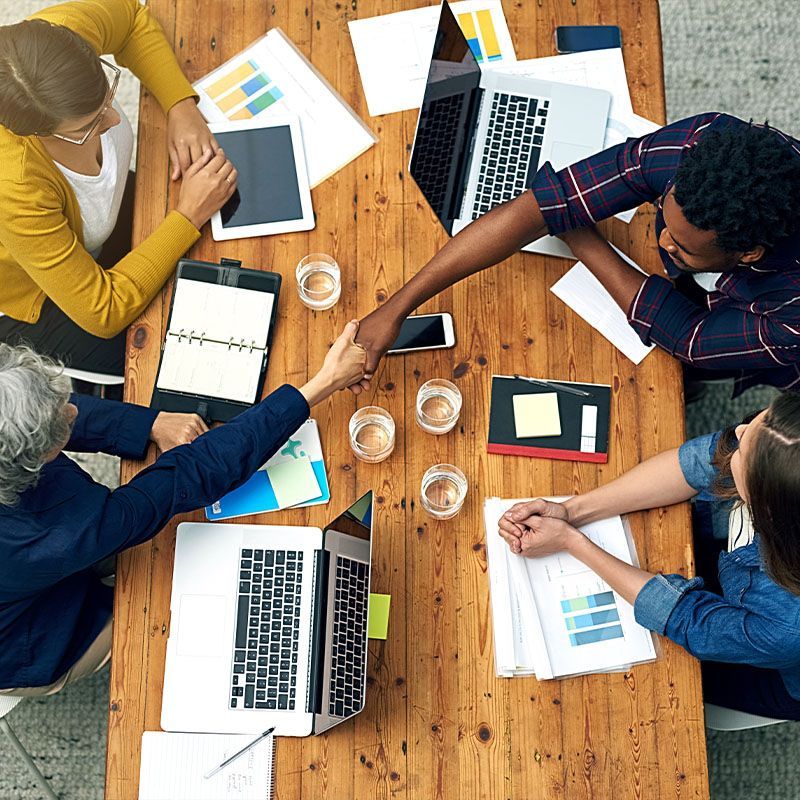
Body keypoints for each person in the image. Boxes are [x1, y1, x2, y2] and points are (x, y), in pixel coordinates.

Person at [0, 322, 366, 695]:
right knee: (181, 611)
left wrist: (150, 423)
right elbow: (187, 475)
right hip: (34, 637)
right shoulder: (57, 533)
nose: (73, 412)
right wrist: (322, 383)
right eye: (62, 418)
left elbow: (36, 410)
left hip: (30, 564)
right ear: (31, 460)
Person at [354, 114, 800, 397]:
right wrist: (396, 308)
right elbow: (548, 203)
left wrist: (582, 239)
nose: (664, 241)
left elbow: (693, 339)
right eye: (665, 216)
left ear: (749, 252)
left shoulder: (792, 313)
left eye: (682, 246)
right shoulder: (699, 147)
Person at [498, 392, 800, 719]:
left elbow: (687, 618)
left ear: (766, 505)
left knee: (673, 681)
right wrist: (570, 511)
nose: (738, 433)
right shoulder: (780, 446)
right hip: (741, 560)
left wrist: (574, 543)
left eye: (743, 450)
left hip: (765, 668)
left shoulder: (786, 627)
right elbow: (695, 465)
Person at [0, 0, 237, 377]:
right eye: (86, 127)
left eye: (108, 93)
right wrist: (188, 215)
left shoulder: (55, 44)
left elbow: (132, 19)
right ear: (37, 132)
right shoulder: (14, 187)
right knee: (201, 357)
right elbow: (102, 310)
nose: (113, 119)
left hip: (96, 234)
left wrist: (180, 104)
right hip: (36, 299)